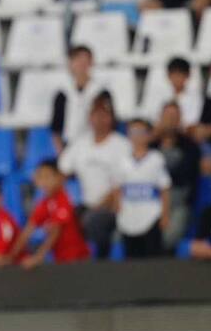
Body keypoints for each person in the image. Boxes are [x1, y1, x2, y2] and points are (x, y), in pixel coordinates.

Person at [59, 93, 129, 258]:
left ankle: (100, 263)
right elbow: (62, 171)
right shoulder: (81, 143)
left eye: (104, 115)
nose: (99, 119)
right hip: (86, 205)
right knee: (62, 218)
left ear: (111, 118)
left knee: (94, 220)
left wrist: (98, 207)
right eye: (95, 114)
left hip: (113, 207)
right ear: (90, 118)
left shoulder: (122, 145)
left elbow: (121, 186)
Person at [9, 159, 90, 267]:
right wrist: (11, 256)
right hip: (60, 260)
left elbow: (55, 232)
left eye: (48, 177)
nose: (44, 182)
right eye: (40, 177)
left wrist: (38, 257)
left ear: (60, 178)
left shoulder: (63, 201)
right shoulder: (44, 203)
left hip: (78, 261)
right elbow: (29, 229)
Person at [114, 118, 171, 258]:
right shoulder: (122, 161)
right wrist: (118, 208)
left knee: (152, 258)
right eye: (133, 132)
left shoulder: (156, 159)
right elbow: (117, 188)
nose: (137, 135)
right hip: (128, 217)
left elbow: (164, 188)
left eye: (141, 132)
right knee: (131, 259)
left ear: (149, 135)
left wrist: (165, 215)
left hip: (151, 217)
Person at [153, 100, 201, 249]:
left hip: (178, 201)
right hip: (152, 200)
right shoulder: (151, 146)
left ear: (180, 119)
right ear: (160, 118)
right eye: (167, 116)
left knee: (169, 236)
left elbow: (184, 176)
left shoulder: (190, 147)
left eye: (174, 116)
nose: (170, 120)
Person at [51, 45, 103, 149]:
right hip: (70, 144)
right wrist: (62, 152)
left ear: (91, 63)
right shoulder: (62, 93)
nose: (81, 65)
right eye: (77, 60)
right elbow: (56, 128)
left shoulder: (101, 92)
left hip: (95, 144)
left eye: (85, 61)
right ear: (70, 64)